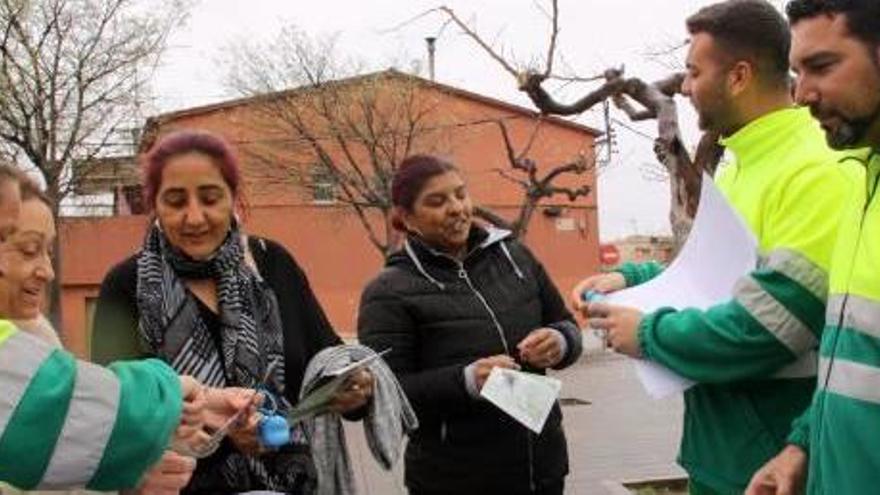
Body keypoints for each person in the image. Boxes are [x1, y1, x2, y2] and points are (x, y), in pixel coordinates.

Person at [572, 1, 860, 493]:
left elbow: (771, 324)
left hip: (769, 465)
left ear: (739, 76)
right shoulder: (740, 162)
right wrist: (631, 279)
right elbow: (712, 272)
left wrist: (648, 335)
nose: (683, 87)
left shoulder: (813, 169)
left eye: (693, 72)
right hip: (723, 450)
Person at [90, 129, 373, 494]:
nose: (194, 218)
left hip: (289, 483)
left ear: (234, 199)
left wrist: (352, 388)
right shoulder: (126, 285)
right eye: (176, 201)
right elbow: (114, 415)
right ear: (154, 205)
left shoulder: (273, 265)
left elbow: (324, 359)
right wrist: (221, 437)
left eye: (210, 198)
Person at [357, 154, 583, 495]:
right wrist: (466, 380)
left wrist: (560, 341)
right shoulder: (388, 292)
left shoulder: (515, 257)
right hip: (454, 479)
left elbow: (566, 324)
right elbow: (386, 396)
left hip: (543, 468)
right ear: (406, 217)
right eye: (437, 201)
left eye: (461, 195)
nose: (456, 208)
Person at [0, 165, 206, 492]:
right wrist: (164, 397)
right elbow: (58, 407)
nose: (47, 272)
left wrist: (125, 471)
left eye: (48, 252)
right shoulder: (125, 281)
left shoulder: (33, 338)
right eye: (27, 249)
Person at [746, 1, 880, 494]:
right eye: (797, 72)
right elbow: (855, 365)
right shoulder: (862, 184)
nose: (801, 94)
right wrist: (802, 445)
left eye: (822, 66)